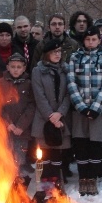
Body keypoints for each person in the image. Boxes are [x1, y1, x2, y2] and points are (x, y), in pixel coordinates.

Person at [67, 26, 102, 196]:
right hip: (80, 109)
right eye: (87, 40)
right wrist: (81, 106)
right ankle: (83, 177)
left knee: (95, 144)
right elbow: (71, 82)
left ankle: (92, 177)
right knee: (81, 143)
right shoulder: (75, 57)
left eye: (94, 39)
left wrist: (95, 108)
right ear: (83, 41)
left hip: (99, 109)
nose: (90, 42)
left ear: (99, 40)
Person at [31, 39, 72, 193]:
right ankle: (45, 183)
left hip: (61, 117)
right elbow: (39, 96)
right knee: (45, 152)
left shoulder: (66, 69)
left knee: (57, 152)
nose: (57, 54)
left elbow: (69, 93)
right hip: (44, 118)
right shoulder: (38, 71)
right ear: (47, 54)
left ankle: (56, 181)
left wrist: (60, 113)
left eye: (59, 51)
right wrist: (51, 116)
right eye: (54, 52)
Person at [0, 53, 35, 172]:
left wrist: (21, 125)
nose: (16, 70)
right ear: (7, 67)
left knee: (19, 158)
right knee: (3, 157)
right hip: (4, 129)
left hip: (21, 131)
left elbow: (32, 105)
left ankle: (17, 184)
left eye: (19, 67)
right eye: (13, 67)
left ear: (23, 68)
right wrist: (8, 123)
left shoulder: (29, 84)